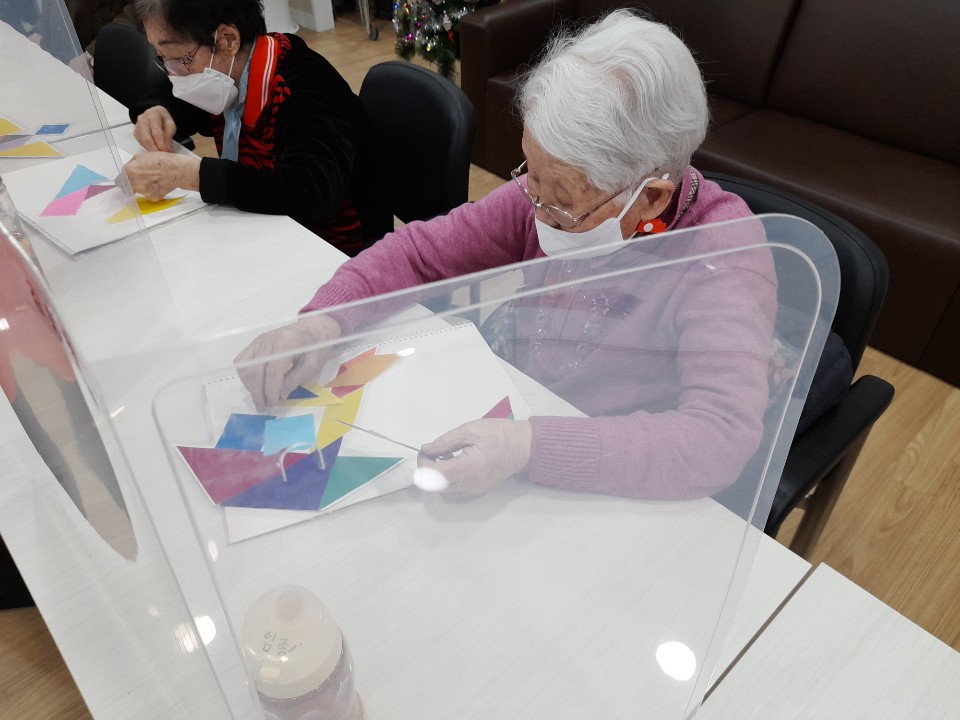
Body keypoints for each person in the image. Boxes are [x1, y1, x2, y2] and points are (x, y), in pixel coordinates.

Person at [235, 11, 798, 501]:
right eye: (532, 176)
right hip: (520, 401)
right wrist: (323, 323)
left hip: (609, 466)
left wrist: (530, 447)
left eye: (562, 202)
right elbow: (421, 253)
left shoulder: (723, 258)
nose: (536, 210)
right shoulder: (549, 191)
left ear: (650, 197)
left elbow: (717, 440)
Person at [124, 0, 391, 255]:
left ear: (228, 39)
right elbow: (174, 96)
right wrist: (158, 109)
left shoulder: (304, 88)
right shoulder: (225, 74)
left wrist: (194, 175)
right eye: (162, 58)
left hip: (336, 246)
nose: (173, 74)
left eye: (179, 59)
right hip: (267, 225)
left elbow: (311, 192)